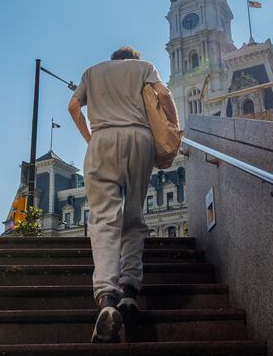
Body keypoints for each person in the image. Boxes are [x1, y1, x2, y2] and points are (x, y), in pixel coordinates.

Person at [68, 46, 179, 343]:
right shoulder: (143, 68)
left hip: (102, 139)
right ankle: (129, 291)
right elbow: (165, 96)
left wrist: (91, 137)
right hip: (139, 139)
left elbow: (73, 106)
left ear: (114, 59)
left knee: (104, 220)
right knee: (132, 217)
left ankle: (106, 298)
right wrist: (174, 128)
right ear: (132, 59)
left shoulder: (92, 72)